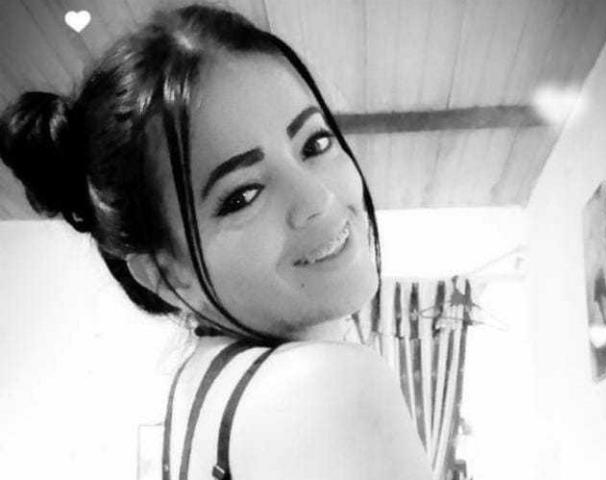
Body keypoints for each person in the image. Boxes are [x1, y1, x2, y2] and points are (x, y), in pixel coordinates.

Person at [0, 4, 432, 479]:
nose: (318, 199)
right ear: (167, 273)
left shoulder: (205, 386)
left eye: (315, 143)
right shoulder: (325, 387)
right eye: (243, 195)